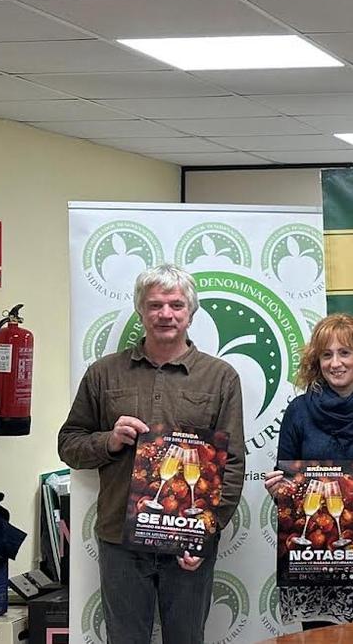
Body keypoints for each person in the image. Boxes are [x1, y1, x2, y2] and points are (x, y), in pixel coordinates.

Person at [58, 264, 245, 644]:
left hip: (188, 540)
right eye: (155, 304)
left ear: (191, 312)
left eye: (176, 305)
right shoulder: (103, 374)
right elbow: (69, 444)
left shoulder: (221, 377)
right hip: (120, 540)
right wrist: (109, 440)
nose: (165, 314)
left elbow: (233, 465)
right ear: (140, 310)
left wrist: (203, 535)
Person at [263, 313, 353, 628]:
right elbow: (286, 481)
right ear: (317, 362)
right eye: (326, 354)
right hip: (314, 554)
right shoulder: (298, 411)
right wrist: (279, 490)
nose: (336, 363)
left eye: (345, 352)